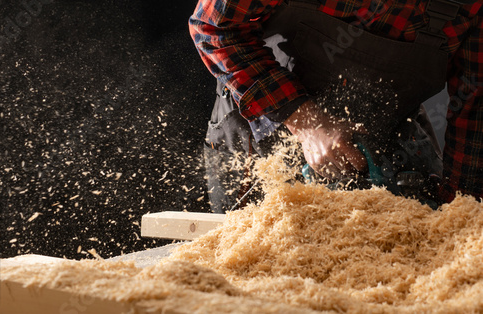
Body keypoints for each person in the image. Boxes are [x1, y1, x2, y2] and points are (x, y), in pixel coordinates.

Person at [189, 0, 482, 213]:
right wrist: (308, 125)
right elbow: (212, 27)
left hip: (388, 138)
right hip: (265, 130)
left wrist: (460, 210)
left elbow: (474, 109)